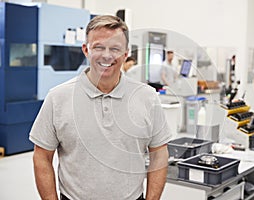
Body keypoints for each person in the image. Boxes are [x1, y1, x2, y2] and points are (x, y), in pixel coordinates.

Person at [29, 15, 172, 200]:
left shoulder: (147, 97)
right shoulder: (58, 97)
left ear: (126, 53)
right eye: (98, 47)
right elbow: (42, 156)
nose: (106, 55)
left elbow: (159, 154)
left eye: (115, 48)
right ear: (85, 50)